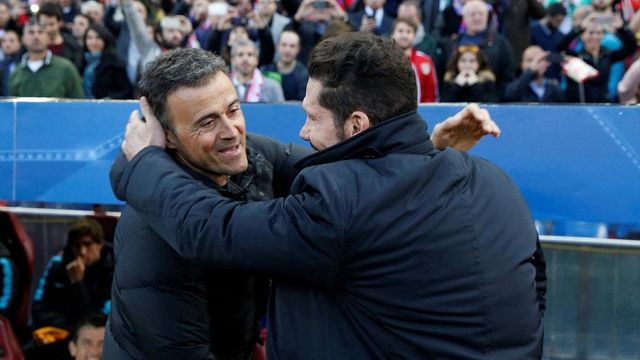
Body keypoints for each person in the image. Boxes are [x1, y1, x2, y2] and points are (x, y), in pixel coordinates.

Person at [112, 33, 545, 358]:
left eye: (312, 117)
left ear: (356, 126)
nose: (302, 131)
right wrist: (424, 152)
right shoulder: (494, 179)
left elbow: (210, 230)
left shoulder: (337, 207)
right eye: (207, 122)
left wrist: (143, 161)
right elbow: (536, 285)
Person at [32, 217, 113, 332]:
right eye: (77, 246)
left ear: (100, 244)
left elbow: (97, 321)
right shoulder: (57, 264)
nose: (82, 251)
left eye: (87, 244)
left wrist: (78, 283)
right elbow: (37, 309)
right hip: (57, 331)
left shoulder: (115, 273)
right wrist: (68, 326)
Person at [440, 0, 515, 101]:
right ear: (464, 18)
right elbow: (443, 76)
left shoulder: (500, 43)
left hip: (490, 102)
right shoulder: (451, 43)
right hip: (455, 101)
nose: (477, 18)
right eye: (472, 14)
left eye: (481, 14)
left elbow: (507, 78)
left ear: (487, 16)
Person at [9, 19, 84, 98]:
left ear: (48, 38)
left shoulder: (65, 68)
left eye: (40, 32)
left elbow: (79, 103)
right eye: (31, 32)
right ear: (23, 39)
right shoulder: (16, 72)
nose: (36, 36)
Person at [391, 17, 438, 103]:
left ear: (414, 36)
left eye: (408, 31)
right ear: (393, 34)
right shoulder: (385, 59)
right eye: (400, 31)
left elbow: (431, 94)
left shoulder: (425, 60)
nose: (404, 35)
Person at [81, 23, 133, 99]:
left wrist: (109, 98)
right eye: (89, 38)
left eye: (98, 38)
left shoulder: (114, 63)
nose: (93, 42)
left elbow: (127, 91)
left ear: (105, 40)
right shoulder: (82, 60)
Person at [261, 29, 309, 101]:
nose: (287, 50)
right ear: (277, 46)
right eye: (284, 45)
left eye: (292, 46)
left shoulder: (304, 75)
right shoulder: (265, 71)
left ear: (299, 49)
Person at [38, 2, 83, 70]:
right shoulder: (33, 45)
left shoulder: (73, 45)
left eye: (51, 24)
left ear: (60, 23)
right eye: (44, 25)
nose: (48, 29)